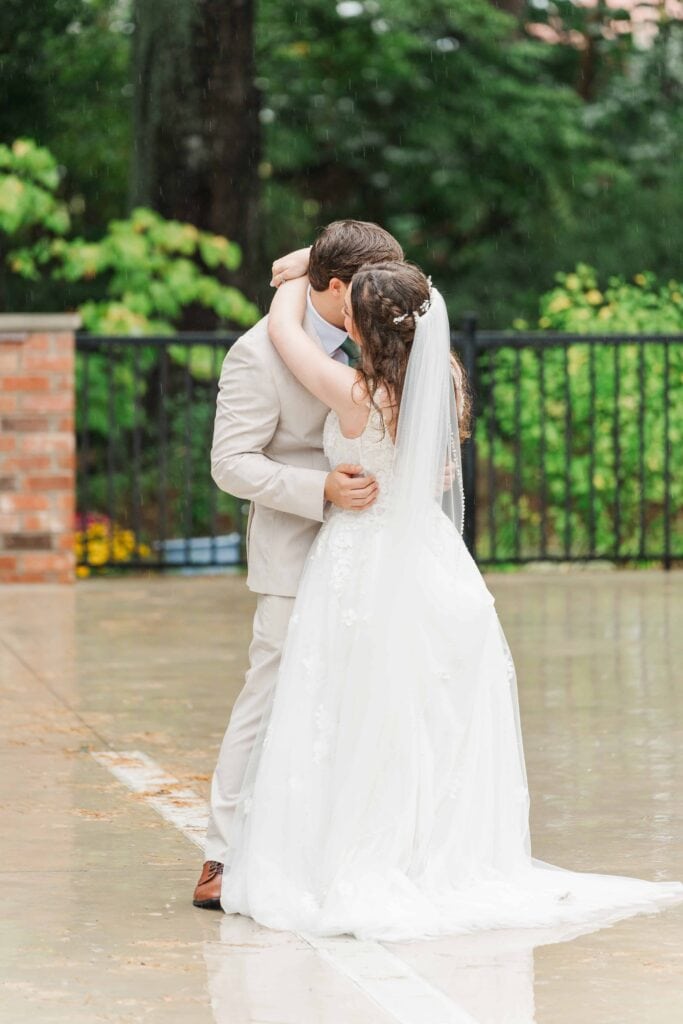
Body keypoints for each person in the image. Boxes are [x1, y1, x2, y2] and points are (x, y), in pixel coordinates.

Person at [212, 254, 683, 941]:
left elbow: (287, 334)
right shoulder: (445, 382)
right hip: (429, 557)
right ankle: (421, 849)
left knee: (349, 708)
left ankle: (341, 847)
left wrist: (294, 276)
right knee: (417, 711)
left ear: (361, 325)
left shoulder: (355, 395)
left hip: (361, 558)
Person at [193, 221, 404, 908]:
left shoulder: (390, 339)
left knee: (362, 700)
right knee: (269, 696)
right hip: (294, 554)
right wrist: (319, 488)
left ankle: (332, 846)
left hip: (374, 554)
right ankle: (222, 854)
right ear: (337, 287)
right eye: (366, 289)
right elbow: (230, 464)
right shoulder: (257, 353)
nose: (383, 300)